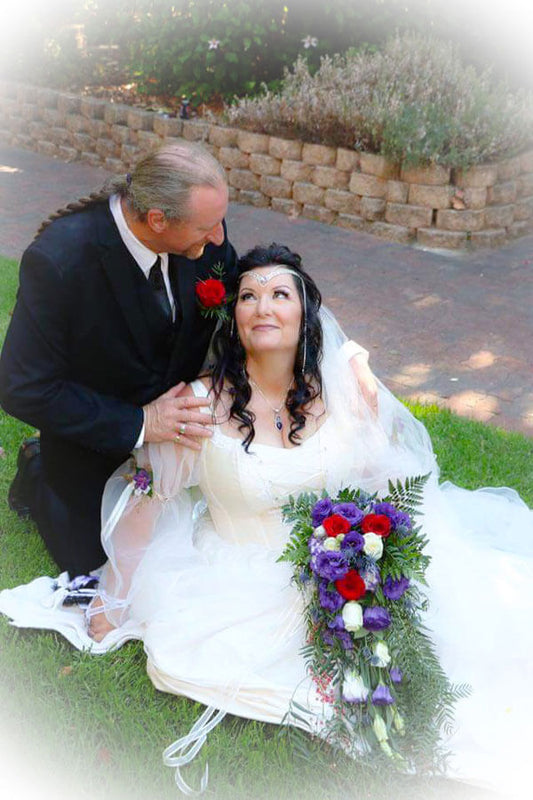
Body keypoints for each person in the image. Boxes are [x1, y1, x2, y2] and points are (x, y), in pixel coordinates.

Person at [1, 244, 531, 798]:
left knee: (468, 640)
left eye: (280, 294)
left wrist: (375, 549)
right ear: (234, 318)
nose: (263, 307)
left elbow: (383, 481)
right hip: (236, 571)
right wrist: (112, 601)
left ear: (306, 314)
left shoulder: (343, 391)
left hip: (339, 558)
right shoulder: (200, 405)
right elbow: (147, 504)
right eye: (249, 296)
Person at [0, 142, 377, 578]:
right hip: (98, 446)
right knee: (109, 570)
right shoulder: (60, 261)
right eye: (208, 227)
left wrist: (345, 354)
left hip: (192, 447)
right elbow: (21, 387)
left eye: (221, 221)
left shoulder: (202, 232)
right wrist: (142, 422)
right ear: (158, 220)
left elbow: (262, 304)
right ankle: (38, 468)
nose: (219, 238)